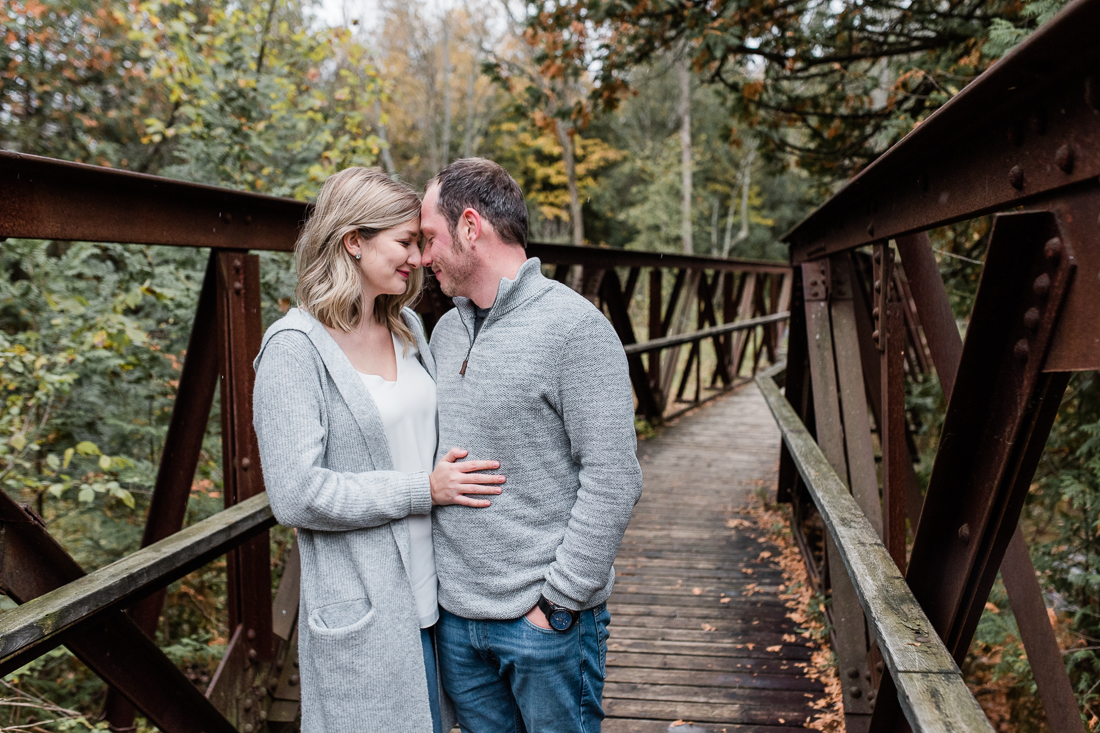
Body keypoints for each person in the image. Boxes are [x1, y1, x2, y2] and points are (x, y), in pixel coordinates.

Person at [252, 167, 505, 733]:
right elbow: (295, 495)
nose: (418, 257)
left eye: (420, 242)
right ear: (353, 241)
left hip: (441, 603)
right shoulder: (294, 349)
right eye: (405, 242)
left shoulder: (408, 326)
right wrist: (425, 489)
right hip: (366, 614)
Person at [422, 157, 644, 732]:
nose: (423, 258)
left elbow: (614, 477)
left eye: (429, 238)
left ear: (471, 227)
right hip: (457, 625)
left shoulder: (576, 328)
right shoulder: (445, 332)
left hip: (543, 626)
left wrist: (558, 604)